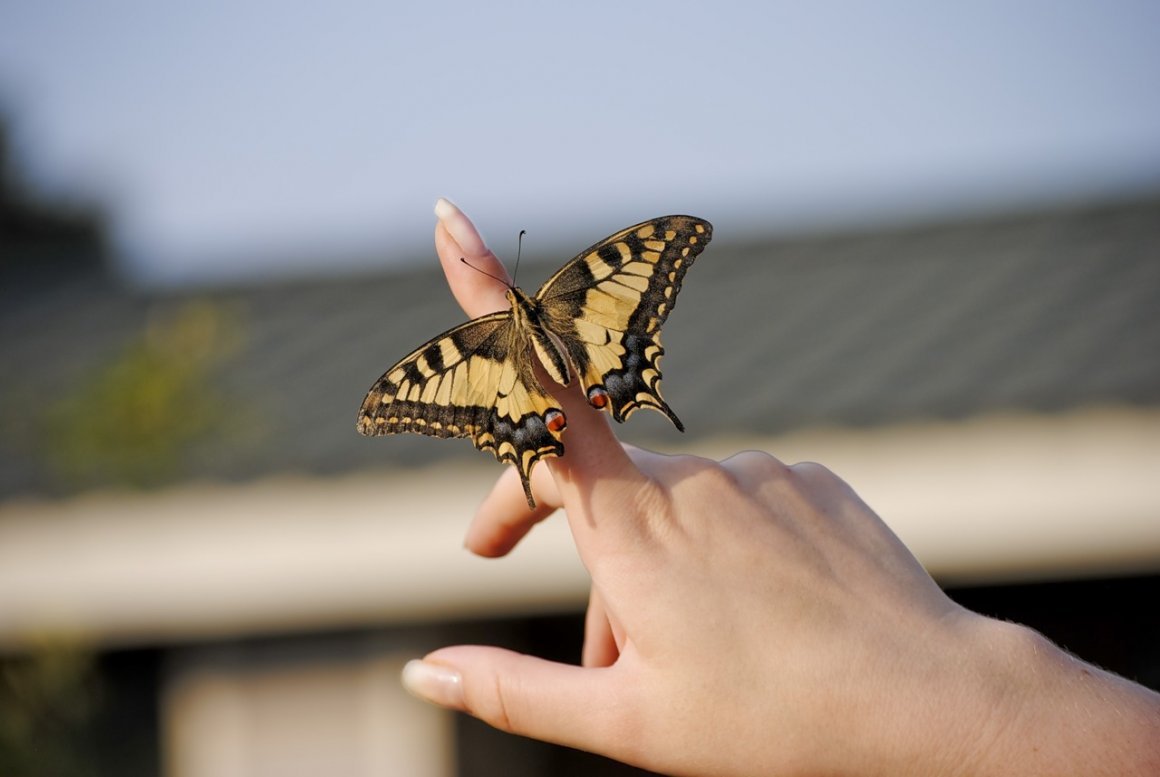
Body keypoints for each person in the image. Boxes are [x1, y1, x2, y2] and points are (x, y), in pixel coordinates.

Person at [400, 199, 1160, 776]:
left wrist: (983, 713)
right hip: (587, 370)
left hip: (562, 386)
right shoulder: (566, 301)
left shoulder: (505, 334)